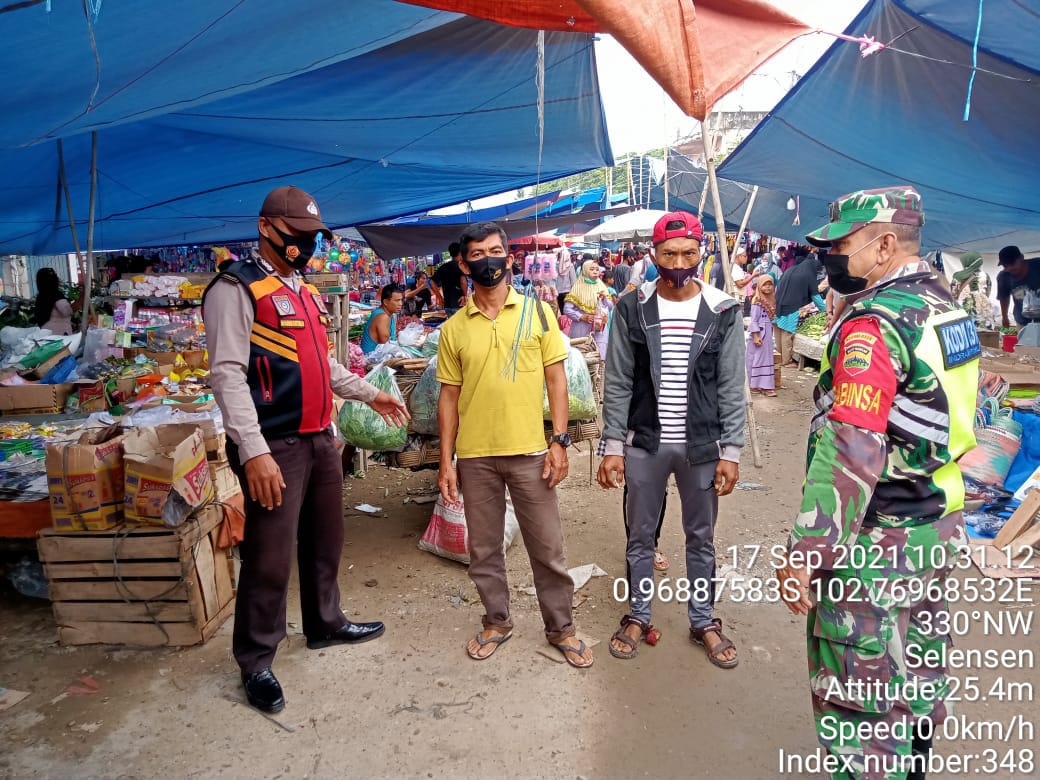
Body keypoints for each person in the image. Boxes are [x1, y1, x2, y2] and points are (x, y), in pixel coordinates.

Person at [776, 187, 980, 778]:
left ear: (885, 243)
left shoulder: (874, 325)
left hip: (877, 544)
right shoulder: (948, 309)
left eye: (841, 245)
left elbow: (851, 451)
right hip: (934, 528)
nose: (830, 258)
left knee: (861, 708)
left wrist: (806, 555)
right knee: (914, 682)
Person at [203, 185, 409, 715]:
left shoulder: (304, 290)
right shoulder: (236, 289)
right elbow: (227, 375)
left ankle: (325, 622)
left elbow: (325, 362)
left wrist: (372, 392)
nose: (305, 246)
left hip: (319, 437)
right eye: (296, 236)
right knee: (269, 555)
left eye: (312, 237)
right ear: (266, 228)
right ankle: (255, 659)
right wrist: (253, 452)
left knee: (326, 540)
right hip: (275, 443)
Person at [436, 221, 594, 669]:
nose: (488, 259)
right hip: (476, 456)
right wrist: (446, 461)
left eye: (495, 251)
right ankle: (496, 621)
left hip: (530, 452)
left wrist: (559, 441)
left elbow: (556, 381)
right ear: (464, 264)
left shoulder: (539, 314)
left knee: (547, 547)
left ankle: (561, 627)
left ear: (509, 258)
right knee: (483, 549)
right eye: (477, 253)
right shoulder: (453, 330)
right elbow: (449, 398)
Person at [597, 211, 746, 667]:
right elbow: (619, 379)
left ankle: (703, 620)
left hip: (702, 446)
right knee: (640, 535)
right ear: (653, 255)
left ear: (700, 253)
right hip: (647, 442)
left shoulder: (723, 310)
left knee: (701, 537)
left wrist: (732, 450)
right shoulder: (632, 308)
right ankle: (638, 614)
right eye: (669, 253)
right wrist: (613, 446)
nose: (679, 261)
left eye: (687, 253)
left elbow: (731, 384)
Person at [773, 251, 826, 367]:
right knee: (787, 333)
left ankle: (780, 357)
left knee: (778, 330)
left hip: (778, 302)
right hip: (791, 305)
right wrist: (825, 310)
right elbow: (815, 296)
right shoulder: (809, 275)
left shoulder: (791, 269)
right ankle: (786, 361)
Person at [562, 259, 613, 359]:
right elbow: (567, 309)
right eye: (592, 269)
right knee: (581, 357)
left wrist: (605, 299)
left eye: (597, 269)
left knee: (600, 356)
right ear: (585, 270)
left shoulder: (601, 286)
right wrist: (581, 317)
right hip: (581, 329)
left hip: (600, 328)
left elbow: (610, 307)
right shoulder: (578, 287)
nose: (595, 272)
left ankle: (599, 374)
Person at [746, 273, 777, 396]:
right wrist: (755, 335)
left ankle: (760, 384)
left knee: (765, 358)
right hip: (759, 332)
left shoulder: (771, 300)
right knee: (758, 358)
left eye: (770, 285)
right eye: (765, 285)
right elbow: (754, 320)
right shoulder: (757, 301)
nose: (768, 288)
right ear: (759, 286)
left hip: (767, 332)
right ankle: (762, 386)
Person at [996, 244, 1040, 328]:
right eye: (1005, 266)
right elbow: (1004, 298)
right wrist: (1004, 317)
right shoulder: (1003, 277)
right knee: (1025, 341)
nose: (1009, 268)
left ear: (1022, 258)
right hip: (1023, 322)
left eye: (1012, 263)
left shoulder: (1037, 265)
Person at [359, 284, 403, 354]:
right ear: (385, 302)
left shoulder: (390, 315)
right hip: (371, 362)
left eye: (401, 300)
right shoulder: (382, 317)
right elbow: (387, 347)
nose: (400, 303)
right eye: (397, 300)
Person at [431, 242, 468, 315]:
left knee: (451, 325)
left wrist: (440, 297)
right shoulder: (461, 266)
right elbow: (463, 281)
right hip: (459, 304)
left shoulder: (443, 267)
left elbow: (432, 281)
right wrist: (465, 295)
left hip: (447, 305)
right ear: (460, 252)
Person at [34, 267, 73, 335]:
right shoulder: (56, 295)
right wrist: (81, 299)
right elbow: (66, 311)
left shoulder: (40, 296)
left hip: (46, 334)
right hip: (60, 335)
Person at [555, 247, 577, 311]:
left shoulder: (554, 265)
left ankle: (561, 320)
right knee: (568, 311)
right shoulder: (570, 265)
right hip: (567, 292)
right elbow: (573, 280)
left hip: (557, 292)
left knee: (560, 310)